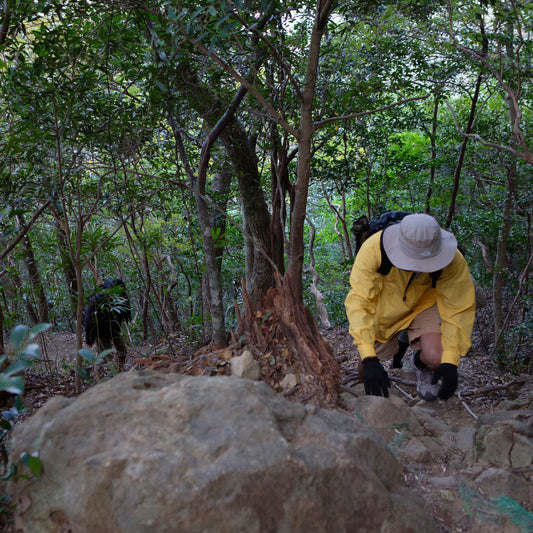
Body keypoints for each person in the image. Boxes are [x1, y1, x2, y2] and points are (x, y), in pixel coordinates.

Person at [345, 213, 476, 401]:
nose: (419, 268)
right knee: (365, 372)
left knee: (436, 358)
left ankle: (420, 364)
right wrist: (369, 357)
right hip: (384, 310)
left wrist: (450, 361)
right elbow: (359, 301)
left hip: (424, 304)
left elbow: (459, 307)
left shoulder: (453, 259)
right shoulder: (374, 249)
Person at [83, 278, 132, 370]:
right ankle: (103, 374)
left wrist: (128, 318)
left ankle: (119, 370)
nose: (120, 293)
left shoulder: (121, 297)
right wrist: (89, 340)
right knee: (106, 355)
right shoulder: (97, 298)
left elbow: (126, 308)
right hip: (99, 329)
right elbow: (88, 320)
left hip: (114, 328)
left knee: (122, 350)